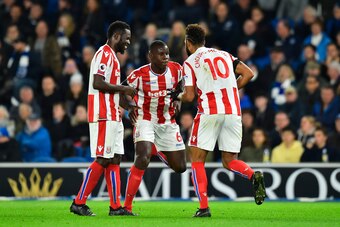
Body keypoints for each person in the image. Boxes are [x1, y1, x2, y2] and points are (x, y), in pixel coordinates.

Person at [180, 24, 266, 217]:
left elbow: (189, 96)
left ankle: (203, 207)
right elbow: (249, 73)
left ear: (189, 42)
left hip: (209, 111)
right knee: (229, 160)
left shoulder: (191, 61)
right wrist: (231, 90)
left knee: (197, 159)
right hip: (234, 112)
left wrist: (175, 96)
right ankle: (253, 175)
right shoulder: (225, 55)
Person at [70, 21, 136, 217]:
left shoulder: (114, 59)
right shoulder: (103, 54)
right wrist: (124, 88)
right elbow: (98, 83)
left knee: (115, 158)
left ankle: (115, 207)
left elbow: (114, 93)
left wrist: (132, 107)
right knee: (103, 158)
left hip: (114, 114)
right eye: (126, 38)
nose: (128, 42)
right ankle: (79, 202)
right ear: (116, 36)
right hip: (102, 114)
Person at [124, 40, 187, 214]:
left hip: (167, 121)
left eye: (167, 53)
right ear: (150, 56)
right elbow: (120, 90)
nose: (165, 57)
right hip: (145, 119)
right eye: (161, 54)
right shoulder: (139, 75)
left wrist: (178, 99)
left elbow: (182, 85)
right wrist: (129, 107)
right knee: (142, 158)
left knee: (181, 167)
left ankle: (157, 149)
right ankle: (127, 207)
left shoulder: (176, 69)